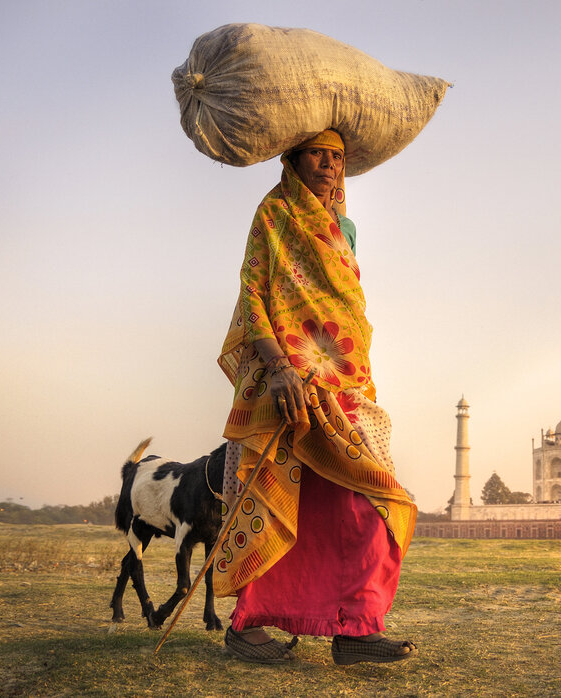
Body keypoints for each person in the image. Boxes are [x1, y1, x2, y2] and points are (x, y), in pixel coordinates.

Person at [213, 129, 418, 665]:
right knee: (276, 492)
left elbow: (342, 301)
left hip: (343, 380)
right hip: (287, 380)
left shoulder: (345, 228)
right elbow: (254, 293)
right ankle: (246, 626)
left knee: (369, 499)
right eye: (317, 155)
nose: (328, 165)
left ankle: (355, 629)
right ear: (293, 160)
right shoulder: (274, 216)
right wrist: (280, 367)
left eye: (336, 157)